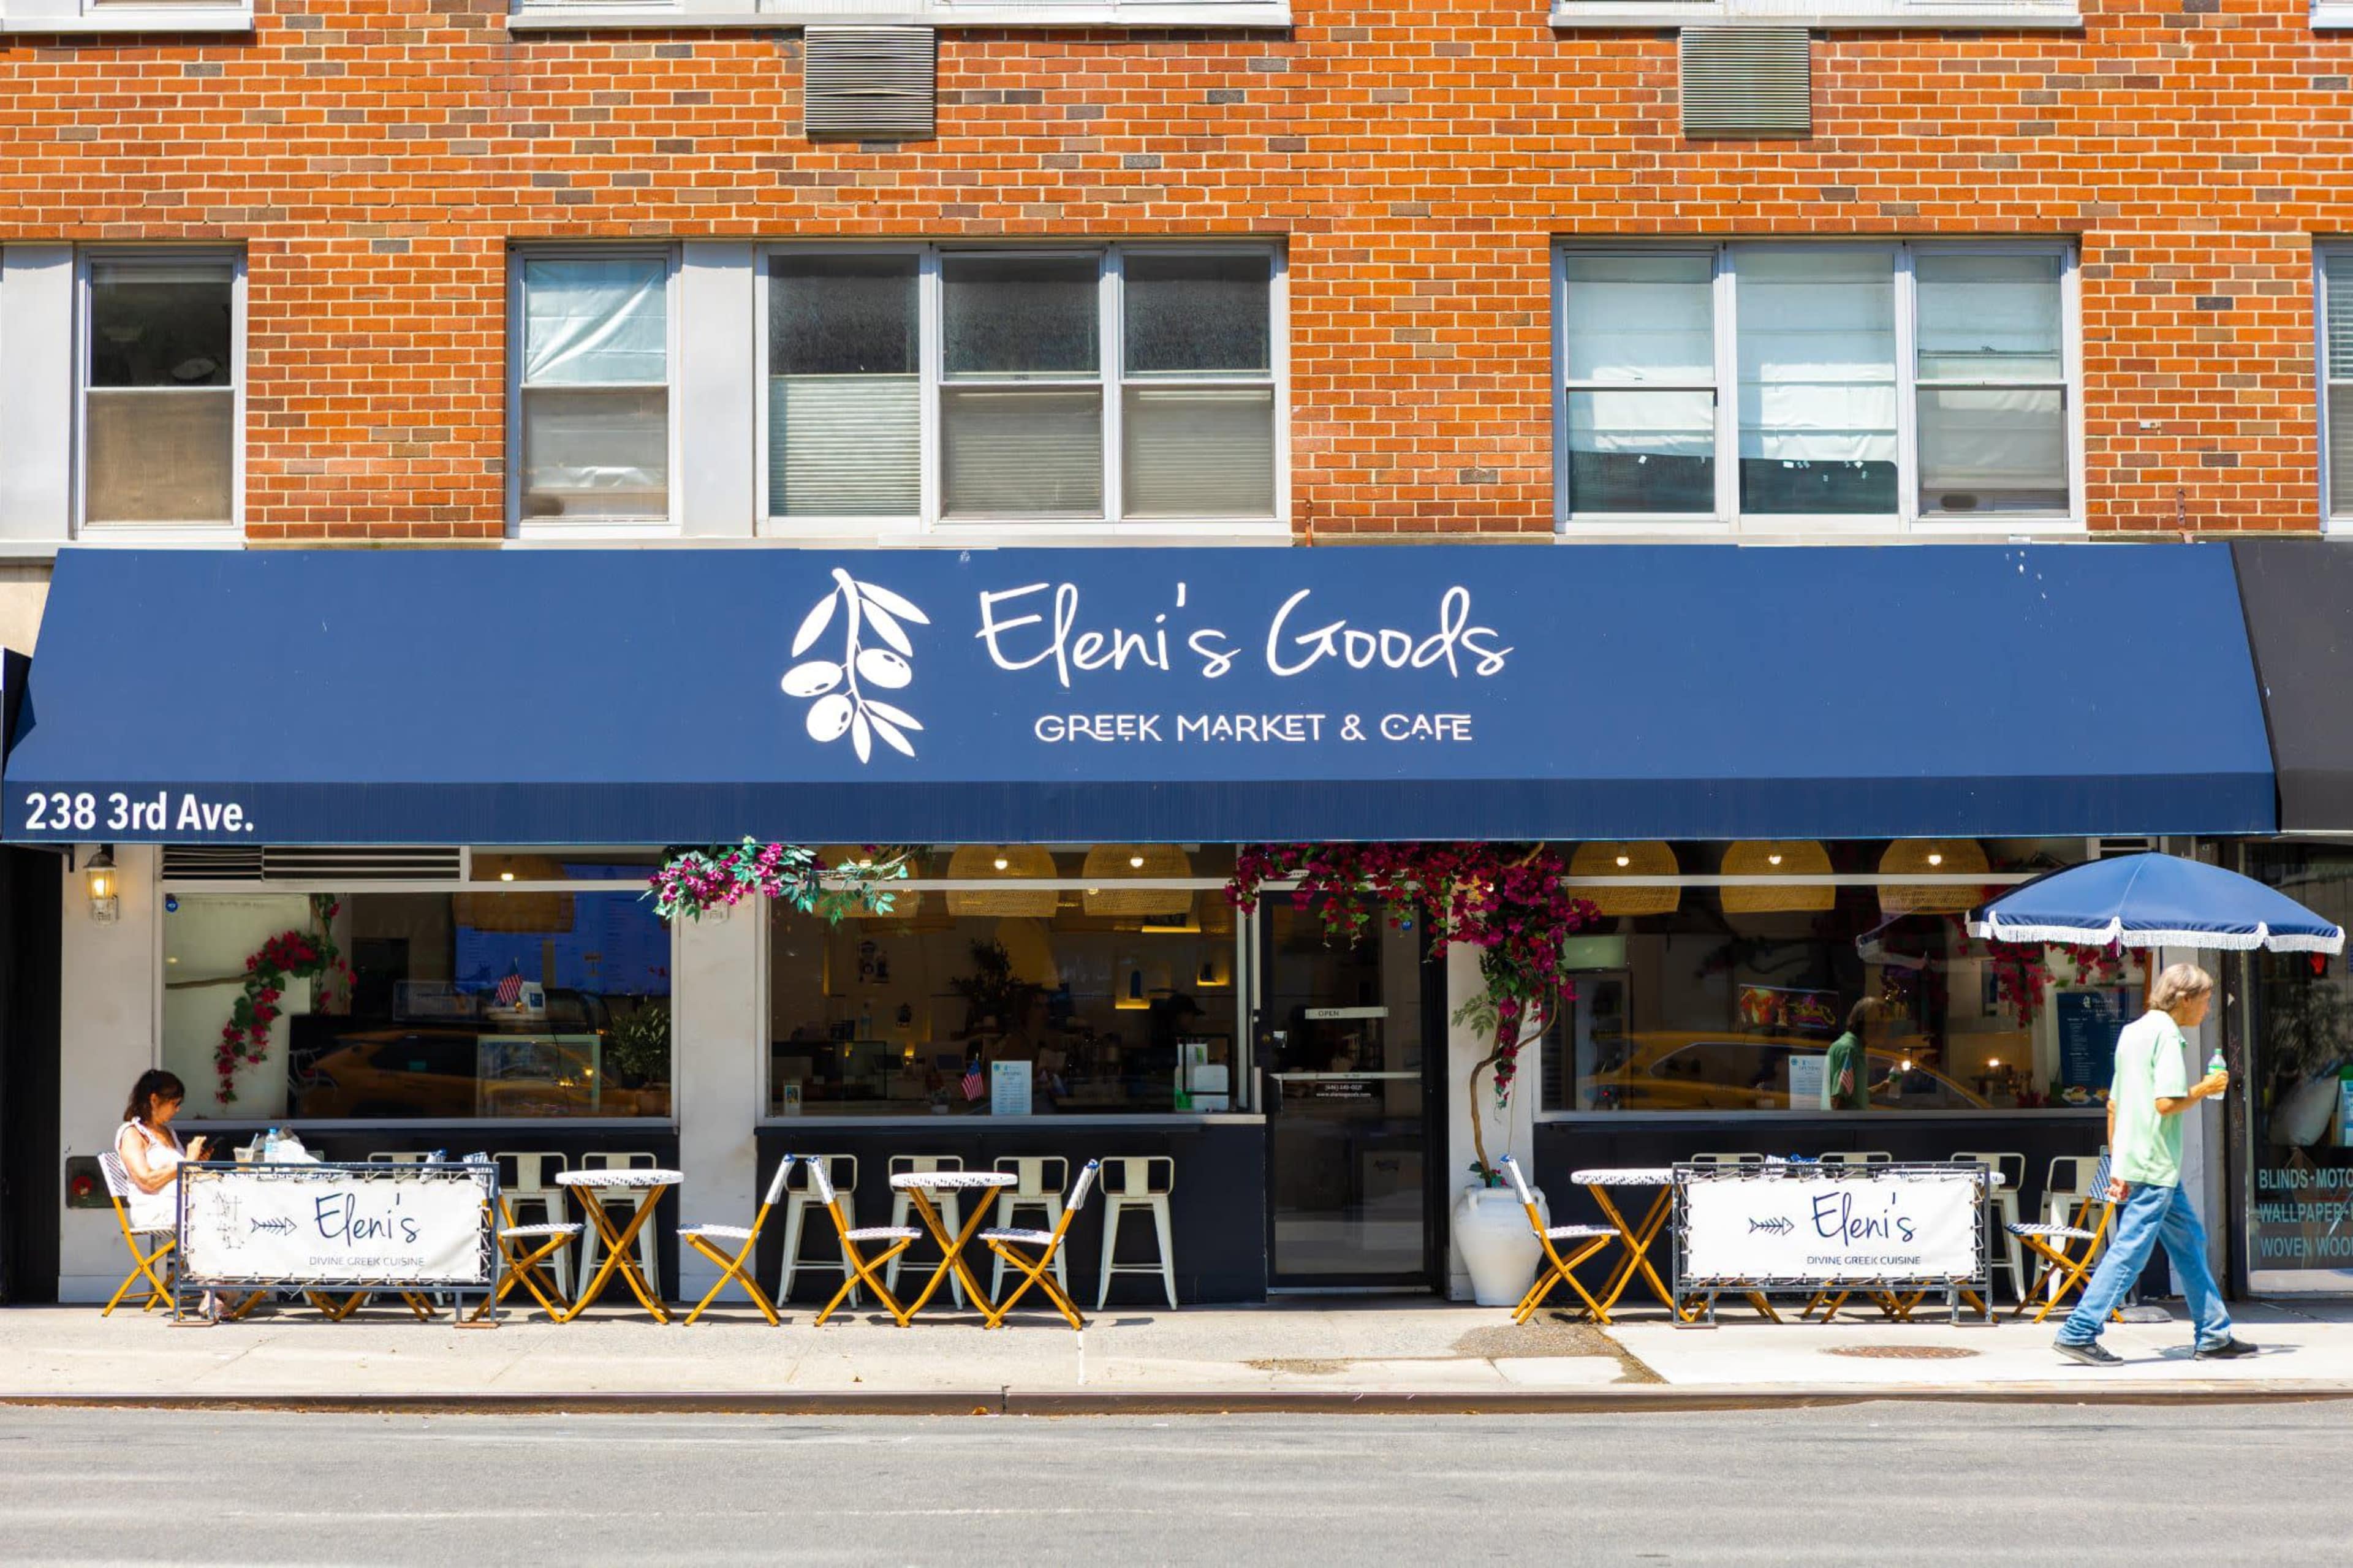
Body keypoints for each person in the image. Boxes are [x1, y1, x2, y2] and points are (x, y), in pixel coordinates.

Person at [2053, 963, 2255, 1365]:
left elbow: (2113, 1104)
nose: (2208, 1007)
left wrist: (2117, 1162)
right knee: (2130, 1250)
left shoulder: (2132, 1031)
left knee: (2190, 1243)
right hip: (2156, 1162)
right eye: (2205, 998)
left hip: (2137, 1158)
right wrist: (2206, 1087)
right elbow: (2166, 1103)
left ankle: (2214, 1333)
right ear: (2184, 998)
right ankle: (2078, 1331)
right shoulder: (2167, 1034)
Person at [115, 1069, 208, 1232]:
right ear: (154, 1100)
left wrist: (195, 1163)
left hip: (182, 1205)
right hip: (157, 1209)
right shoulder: (132, 1133)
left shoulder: (168, 1132)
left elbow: (180, 1172)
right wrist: (187, 1163)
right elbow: (147, 1181)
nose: (178, 1109)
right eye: (175, 1103)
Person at [1821, 997, 1884, 1112]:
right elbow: (1837, 1101)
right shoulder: (1849, 1049)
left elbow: (1854, 1096)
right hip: (1852, 1127)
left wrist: (1882, 1087)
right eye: (1874, 1023)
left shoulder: (1856, 1048)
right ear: (1861, 1022)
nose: (1879, 1028)